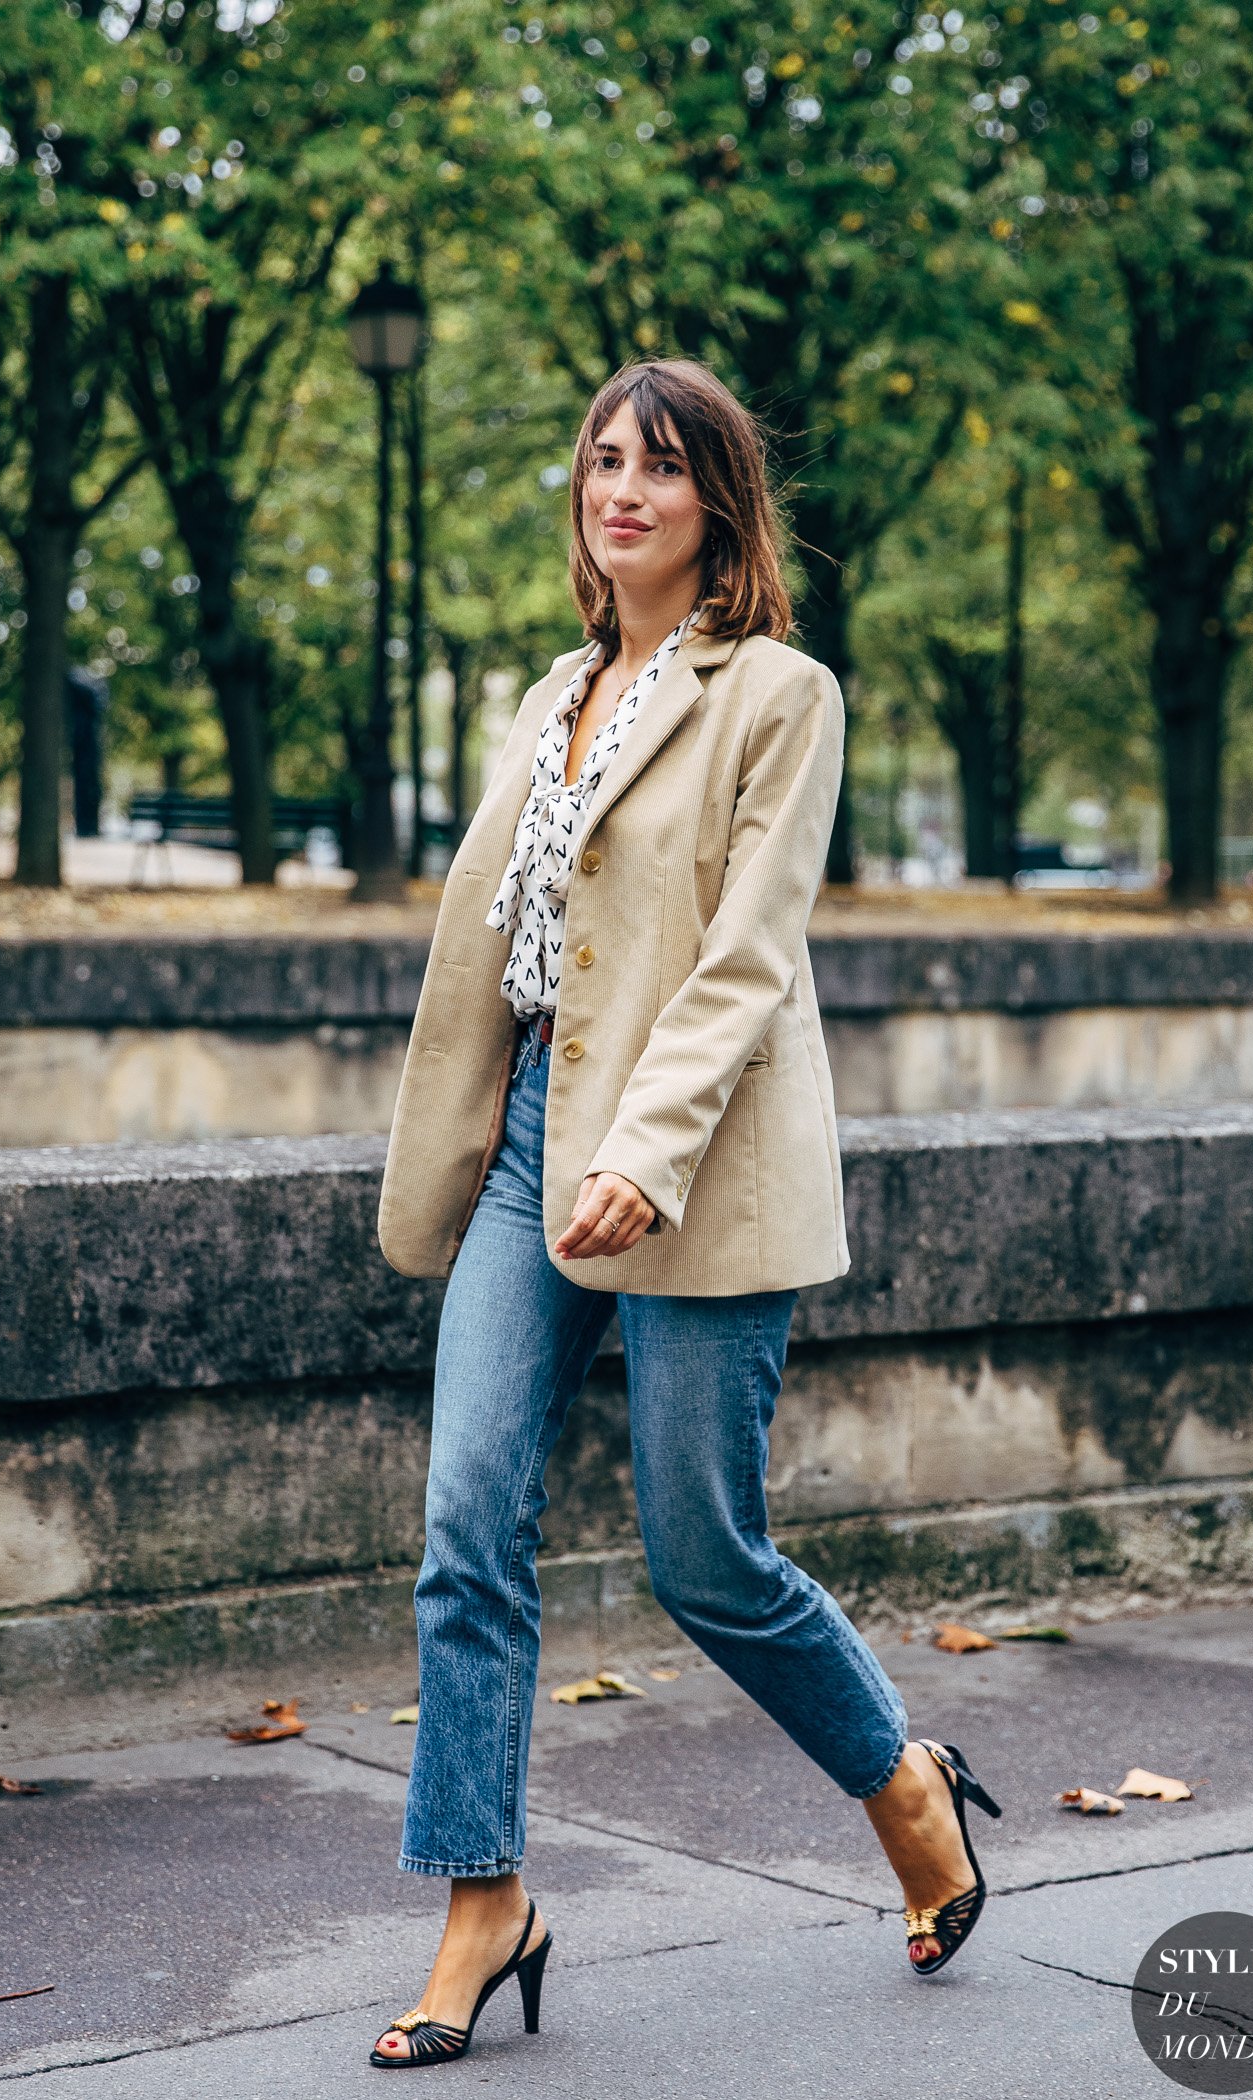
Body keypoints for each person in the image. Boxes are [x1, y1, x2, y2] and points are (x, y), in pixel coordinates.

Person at [370, 358, 999, 2070]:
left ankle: (904, 1777)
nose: (621, 488)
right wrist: (512, 1129)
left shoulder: (780, 695)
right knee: (466, 1526)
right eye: (600, 461)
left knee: (704, 1555)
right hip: (528, 1155)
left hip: (691, 1165)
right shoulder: (543, 696)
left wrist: (641, 1148)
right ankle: (482, 1898)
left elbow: (745, 959)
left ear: (718, 503)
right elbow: (509, 943)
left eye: (660, 466)